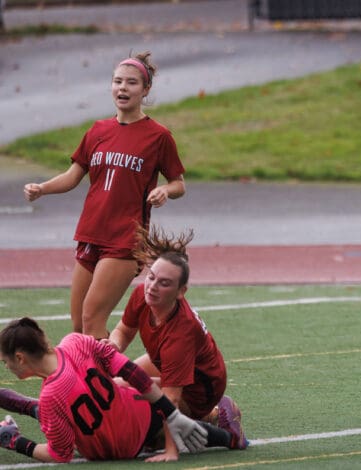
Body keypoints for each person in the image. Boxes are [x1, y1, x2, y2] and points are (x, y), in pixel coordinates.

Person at [23, 51, 186, 340]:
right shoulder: (98, 130)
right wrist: (42, 188)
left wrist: (164, 190)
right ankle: (97, 380)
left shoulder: (158, 136)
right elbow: (74, 175)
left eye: (132, 83)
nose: (123, 88)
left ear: (145, 89)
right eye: (117, 81)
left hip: (124, 238)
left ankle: (104, 385)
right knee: (77, 324)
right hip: (90, 232)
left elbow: (178, 184)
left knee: (92, 318)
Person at [0, 317, 247, 464]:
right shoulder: (75, 341)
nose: (7, 366)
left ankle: (222, 427)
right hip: (140, 415)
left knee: (46, 410)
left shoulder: (51, 395)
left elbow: (60, 454)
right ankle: (230, 438)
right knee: (171, 424)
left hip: (121, 444)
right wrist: (167, 411)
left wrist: (14, 442)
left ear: (20, 358)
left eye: (5, 361)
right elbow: (130, 372)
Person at [105, 225, 231, 426]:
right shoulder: (142, 294)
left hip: (198, 393)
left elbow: (170, 399)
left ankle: (213, 417)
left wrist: (169, 450)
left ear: (181, 292)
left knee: (122, 390)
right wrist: (114, 346)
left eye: (164, 283)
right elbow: (123, 330)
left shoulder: (180, 332)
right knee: (112, 384)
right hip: (168, 364)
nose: (152, 287)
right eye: (151, 277)